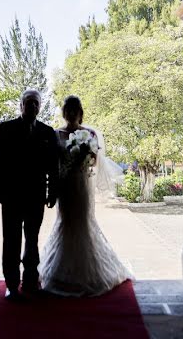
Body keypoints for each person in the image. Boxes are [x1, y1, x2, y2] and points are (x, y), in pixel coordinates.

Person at [38, 95, 133, 297]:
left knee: (83, 224)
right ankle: (60, 272)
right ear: (64, 112)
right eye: (68, 110)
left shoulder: (89, 134)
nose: (71, 113)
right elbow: (53, 164)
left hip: (82, 187)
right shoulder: (56, 135)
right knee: (65, 223)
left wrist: (83, 155)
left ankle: (87, 273)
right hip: (64, 187)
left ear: (80, 113)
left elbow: (95, 162)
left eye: (75, 110)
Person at [0, 88, 59, 301]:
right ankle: (11, 284)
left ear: (40, 106)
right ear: (21, 105)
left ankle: (31, 281)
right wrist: (0, 191)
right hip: (11, 195)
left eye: (36, 103)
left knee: (32, 240)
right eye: (28, 102)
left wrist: (53, 192)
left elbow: (53, 166)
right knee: (11, 240)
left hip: (36, 195)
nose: (32, 106)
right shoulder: (7, 128)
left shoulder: (48, 132)